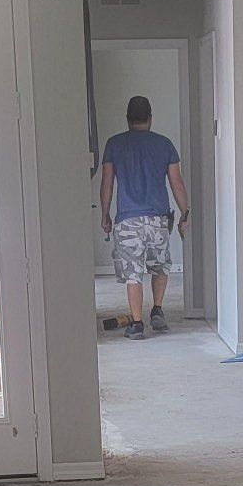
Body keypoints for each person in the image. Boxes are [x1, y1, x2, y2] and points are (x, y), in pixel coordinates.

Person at [100, 95, 189, 339]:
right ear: (150, 118)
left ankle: (137, 324)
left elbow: (107, 184)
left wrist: (105, 215)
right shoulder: (164, 144)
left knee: (133, 273)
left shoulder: (114, 144)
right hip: (158, 219)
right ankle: (157, 309)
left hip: (128, 220)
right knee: (160, 267)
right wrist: (185, 212)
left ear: (128, 119)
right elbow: (177, 183)